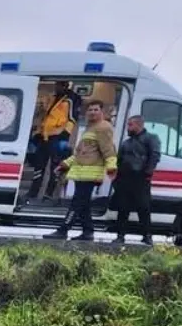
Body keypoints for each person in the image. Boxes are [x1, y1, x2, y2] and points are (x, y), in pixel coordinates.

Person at [44, 99, 117, 242]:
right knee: (84, 206)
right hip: (80, 173)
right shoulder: (89, 128)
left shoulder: (104, 128)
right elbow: (79, 153)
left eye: (96, 109)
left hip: (90, 174)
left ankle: (63, 230)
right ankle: (88, 232)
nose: (92, 112)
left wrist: (111, 168)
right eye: (90, 110)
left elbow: (109, 150)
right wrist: (65, 164)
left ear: (102, 112)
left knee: (76, 203)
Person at [25, 81, 78, 204]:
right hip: (45, 137)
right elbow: (46, 117)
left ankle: (49, 195)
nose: (57, 87)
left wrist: (66, 134)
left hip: (57, 137)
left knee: (55, 168)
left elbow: (72, 118)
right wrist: (38, 132)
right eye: (56, 85)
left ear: (65, 86)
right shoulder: (52, 98)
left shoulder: (69, 100)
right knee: (39, 166)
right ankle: (33, 192)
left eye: (59, 85)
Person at [110, 115, 159, 245]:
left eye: (130, 125)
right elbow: (119, 159)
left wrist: (148, 173)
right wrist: (116, 179)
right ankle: (120, 235)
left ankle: (147, 235)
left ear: (139, 125)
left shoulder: (150, 138)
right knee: (123, 208)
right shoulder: (127, 142)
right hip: (124, 178)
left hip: (140, 178)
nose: (128, 127)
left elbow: (154, 155)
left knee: (143, 207)